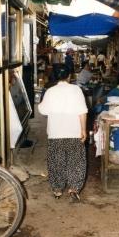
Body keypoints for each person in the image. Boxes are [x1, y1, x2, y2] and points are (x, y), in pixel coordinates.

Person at [38, 68, 88, 201]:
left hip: (56, 133)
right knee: (76, 161)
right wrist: (83, 130)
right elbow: (82, 111)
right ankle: (74, 189)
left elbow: (42, 110)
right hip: (74, 132)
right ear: (69, 76)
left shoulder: (50, 91)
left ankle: (57, 190)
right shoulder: (76, 90)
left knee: (56, 162)